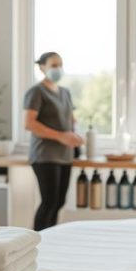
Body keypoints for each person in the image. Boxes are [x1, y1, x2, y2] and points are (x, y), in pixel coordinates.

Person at [23, 52, 84, 231]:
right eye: (54, 65)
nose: (58, 69)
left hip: (65, 155)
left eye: (60, 65)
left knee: (58, 202)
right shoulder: (36, 92)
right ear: (42, 67)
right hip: (45, 156)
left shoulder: (65, 93)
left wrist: (76, 135)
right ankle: (36, 241)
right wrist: (61, 136)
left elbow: (71, 120)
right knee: (49, 201)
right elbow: (29, 124)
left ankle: (50, 239)